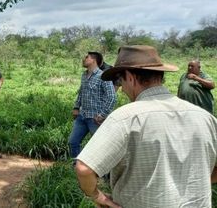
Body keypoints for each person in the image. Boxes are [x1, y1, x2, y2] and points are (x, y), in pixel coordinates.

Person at [75, 45, 217, 208]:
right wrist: (192, 182)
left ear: (130, 77)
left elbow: (84, 169)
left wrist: (97, 197)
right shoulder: (205, 117)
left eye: (121, 80)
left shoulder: (125, 118)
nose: (122, 90)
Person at [68, 51, 116, 161]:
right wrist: (76, 107)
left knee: (100, 147)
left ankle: (103, 174)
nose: (84, 59)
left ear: (93, 60)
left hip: (95, 119)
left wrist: (103, 114)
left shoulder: (103, 76)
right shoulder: (84, 75)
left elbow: (112, 97)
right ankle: (76, 168)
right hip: (82, 116)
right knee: (73, 142)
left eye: (87, 57)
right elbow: (81, 92)